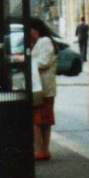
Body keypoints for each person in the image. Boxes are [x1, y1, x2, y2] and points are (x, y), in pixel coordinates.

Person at [28, 18, 58, 161]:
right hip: (40, 87)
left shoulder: (45, 41)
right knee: (42, 120)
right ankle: (43, 149)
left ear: (36, 30)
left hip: (43, 87)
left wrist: (26, 63)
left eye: (30, 30)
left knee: (40, 120)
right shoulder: (37, 42)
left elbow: (44, 62)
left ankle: (41, 149)